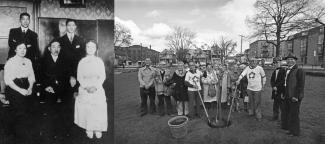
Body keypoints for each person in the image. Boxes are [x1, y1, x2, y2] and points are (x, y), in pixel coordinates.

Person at [74, 40, 107, 139]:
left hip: (97, 87)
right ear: (85, 48)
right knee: (87, 109)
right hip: (85, 88)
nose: (90, 49)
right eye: (88, 47)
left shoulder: (99, 61)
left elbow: (102, 76)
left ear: (96, 49)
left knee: (98, 108)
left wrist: (95, 87)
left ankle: (98, 128)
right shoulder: (82, 62)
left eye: (92, 47)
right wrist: (86, 87)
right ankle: (89, 128)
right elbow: (79, 77)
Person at [4, 43, 35, 143]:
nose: (23, 50)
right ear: (15, 50)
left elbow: (31, 77)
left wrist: (30, 87)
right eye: (20, 48)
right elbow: (8, 81)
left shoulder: (28, 61)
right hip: (14, 88)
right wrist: (20, 90)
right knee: (20, 111)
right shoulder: (10, 62)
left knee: (32, 109)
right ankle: (18, 137)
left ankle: (27, 135)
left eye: (24, 48)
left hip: (27, 86)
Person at [58, 18, 85, 136]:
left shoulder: (81, 40)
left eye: (73, 25)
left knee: (78, 102)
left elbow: (82, 60)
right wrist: (70, 76)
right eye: (69, 25)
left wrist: (75, 76)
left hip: (78, 77)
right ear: (66, 26)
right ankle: (66, 129)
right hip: (65, 77)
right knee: (66, 103)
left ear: (75, 27)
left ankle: (77, 129)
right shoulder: (60, 40)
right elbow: (60, 61)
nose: (71, 27)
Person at [282, 53, 305, 137]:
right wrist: (284, 94)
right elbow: (286, 84)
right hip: (288, 95)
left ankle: (295, 132)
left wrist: (296, 96)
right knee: (288, 113)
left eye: (292, 59)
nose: (290, 61)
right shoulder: (287, 70)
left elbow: (300, 85)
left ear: (295, 61)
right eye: (288, 59)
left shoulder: (299, 70)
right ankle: (290, 129)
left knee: (294, 114)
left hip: (295, 96)